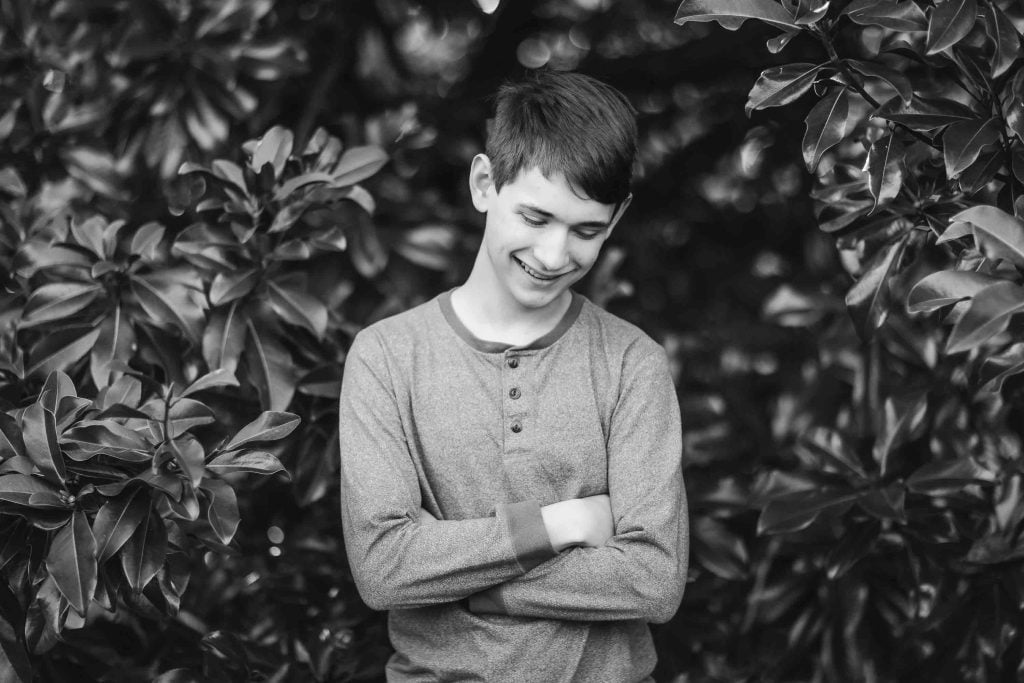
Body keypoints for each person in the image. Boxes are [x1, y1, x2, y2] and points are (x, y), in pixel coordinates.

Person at [338, 69, 688, 682]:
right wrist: (562, 525)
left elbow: (654, 581)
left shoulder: (634, 363)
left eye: (586, 231)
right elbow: (383, 566)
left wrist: (465, 583)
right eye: (535, 217)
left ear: (617, 218)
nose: (554, 256)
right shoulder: (385, 357)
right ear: (483, 184)